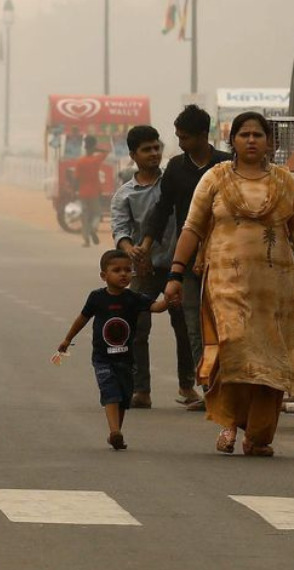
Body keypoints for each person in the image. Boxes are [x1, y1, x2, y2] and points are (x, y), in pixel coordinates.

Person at [163, 112, 294, 456]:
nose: (251, 140)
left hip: (274, 292)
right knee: (230, 349)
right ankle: (229, 423)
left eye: (258, 135)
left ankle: (257, 436)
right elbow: (192, 228)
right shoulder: (215, 178)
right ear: (231, 141)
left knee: (269, 360)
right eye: (244, 134)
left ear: (270, 142)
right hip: (224, 284)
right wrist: (175, 274)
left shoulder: (284, 181)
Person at [142, 104, 232, 410]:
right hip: (188, 259)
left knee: (227, 324)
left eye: (185, 137)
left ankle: (233, 386)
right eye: (178, 137)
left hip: (225, 259)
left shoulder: (225, 165)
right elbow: (163, 208)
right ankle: (208, 387)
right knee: (195, 324)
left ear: (202, 135)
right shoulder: (176, 167)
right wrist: (146, 243)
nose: (180, 142)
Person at [110, 125, 200, 410]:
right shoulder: (125, 194)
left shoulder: (173, 184)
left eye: (157, 147)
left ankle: (188, 386)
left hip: (179, 267)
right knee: (137, 327)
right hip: (144, 271)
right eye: (147, 150)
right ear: (133, 155)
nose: (154, 154)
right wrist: (132, 251)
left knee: (185, 327)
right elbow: (120, 231)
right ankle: (141, 390)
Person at [56, 250, 169, 450]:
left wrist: (169, 299)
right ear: (103, 275)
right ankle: (114, 431)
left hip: (125, 359)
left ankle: (116, 433)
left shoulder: (133, 298)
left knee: (124, 397)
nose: (123, 274)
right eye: (116, 270)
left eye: (127, 270)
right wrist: (67, 339)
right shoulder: (97, 298)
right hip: (102, 358)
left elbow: (156, 307)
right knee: (111, 391)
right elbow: (82, 319)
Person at [74, 135, 108, 247]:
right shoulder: (96, 159)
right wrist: (97, 149)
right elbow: (107, 151)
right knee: (97, 214)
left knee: (84, 217)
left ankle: (86, 241)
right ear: (93, 147)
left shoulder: (80, 161)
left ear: (85, 147)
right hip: (94, 191)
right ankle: (93, 229)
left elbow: (77, 179)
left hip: (83, 192)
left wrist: (76, 191)